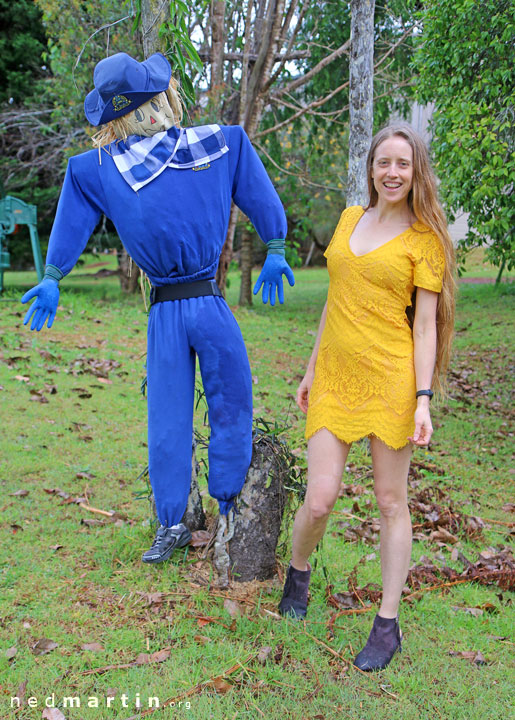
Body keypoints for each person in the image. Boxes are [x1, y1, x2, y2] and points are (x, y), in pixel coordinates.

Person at [21, 52, 295, 565]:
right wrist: (53, 274)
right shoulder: (102, 168)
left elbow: (254, 184)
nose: (148, 115)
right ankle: (172, 522)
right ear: (120, 118)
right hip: (164, 312)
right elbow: (74, 207)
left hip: (209, 301)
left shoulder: (219, 144)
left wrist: (275, 245)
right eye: (135, 109)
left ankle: (231, 503)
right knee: (166, 418)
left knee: (232, 398)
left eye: (151, 103)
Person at [278, 124, 455, 671]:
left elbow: (424, 328)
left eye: (403, 163)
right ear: (372, 168)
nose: (393, 173)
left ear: (415, 169)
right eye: (384, 163)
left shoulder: (424, 240)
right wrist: (310, 370)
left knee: (389, 500)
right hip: (333, 374)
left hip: (391, 379)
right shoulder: (350, 219)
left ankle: (387, 623)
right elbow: (335, 300)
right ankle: (298, 572)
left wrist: (423, 399)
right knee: (320, 499)